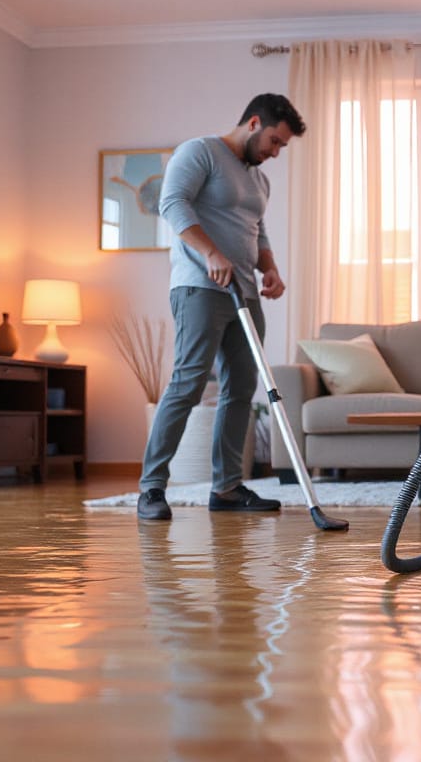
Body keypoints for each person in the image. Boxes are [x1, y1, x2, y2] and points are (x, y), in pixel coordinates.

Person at [137, 93, 306, 521]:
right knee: (189, 383)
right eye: (274, 141)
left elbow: (257, 232)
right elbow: (172, 204)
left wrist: (270, 270)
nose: (275, 151)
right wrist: (211, 254)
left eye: (282, 146)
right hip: (200, 287)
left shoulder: (258, 180)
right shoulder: (200, 152)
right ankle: (152, 488)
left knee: (241, 390)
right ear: (253, 123)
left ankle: (227, 488)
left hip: (245, 293)